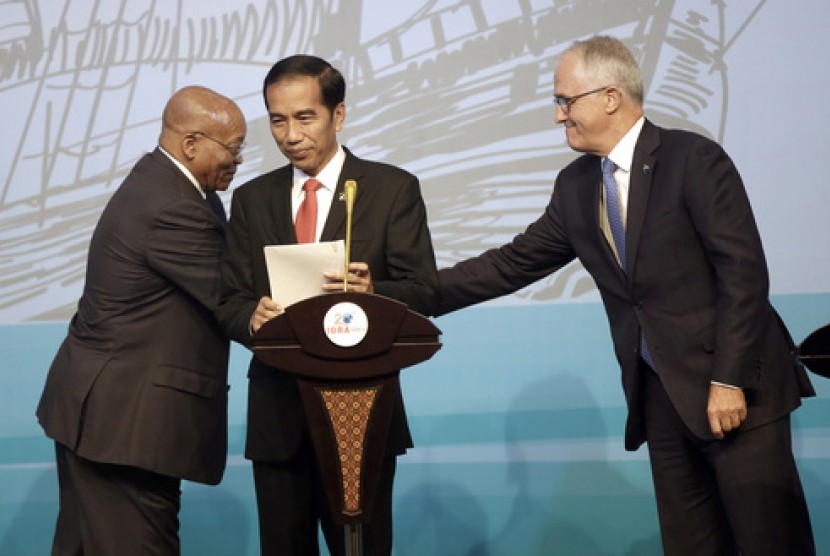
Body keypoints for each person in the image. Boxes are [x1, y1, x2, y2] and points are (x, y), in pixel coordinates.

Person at [434, 36, 816, 555]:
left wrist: (729, 378)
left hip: (734, 391)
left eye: (564, 101)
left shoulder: (692, 157)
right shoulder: (575, 186)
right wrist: (396, 295)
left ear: (609, 96)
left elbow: (743, 275)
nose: (558, 116)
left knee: (768, 542)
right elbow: (511, 264)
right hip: (661, 397)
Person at [217, 55, 437, 556]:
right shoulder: (252, 199)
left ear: (337, 115)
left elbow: (423, 288)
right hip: (279, 413)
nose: (290, 134)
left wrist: (373, 292)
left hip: (362, 408)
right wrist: (251, 318)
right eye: (277, 119)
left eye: (305, 117)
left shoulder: (390, 189)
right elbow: (229, 299)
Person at [36, 85, 247, 555]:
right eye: (232, 149)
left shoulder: (177, 187)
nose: (238, 160)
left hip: (103, 414)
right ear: (191, 145)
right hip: (122, 424)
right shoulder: (172, 204)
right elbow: (232, 298)